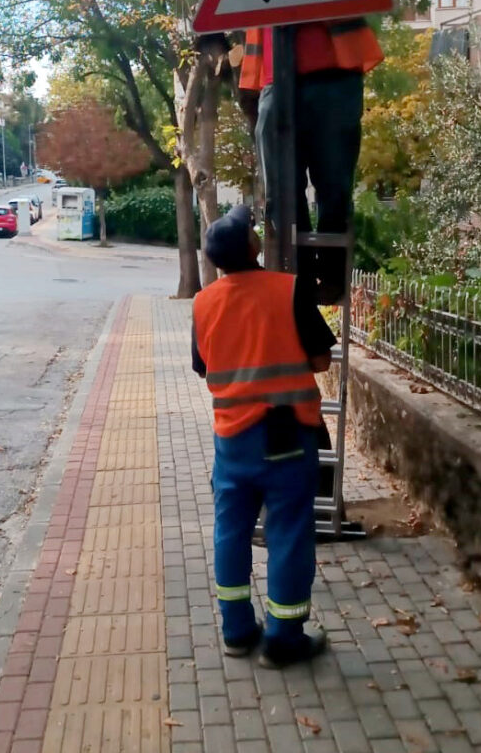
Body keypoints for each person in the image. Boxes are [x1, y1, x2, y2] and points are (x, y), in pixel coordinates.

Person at [210, 0, 384, 303]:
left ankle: (332, 277)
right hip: (276, 87)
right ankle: (295, 276)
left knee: (333, 189)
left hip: (334, 82)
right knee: (282, 196)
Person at [192, 204, 336, 666]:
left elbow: (203, 367)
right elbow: (319, 361)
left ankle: (235, 631)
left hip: (231, 440)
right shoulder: (288, 290)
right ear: (253, 247)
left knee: (230, 532)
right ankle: (283, 639)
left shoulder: (203, 302)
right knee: (289, 532)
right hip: (286, 434)